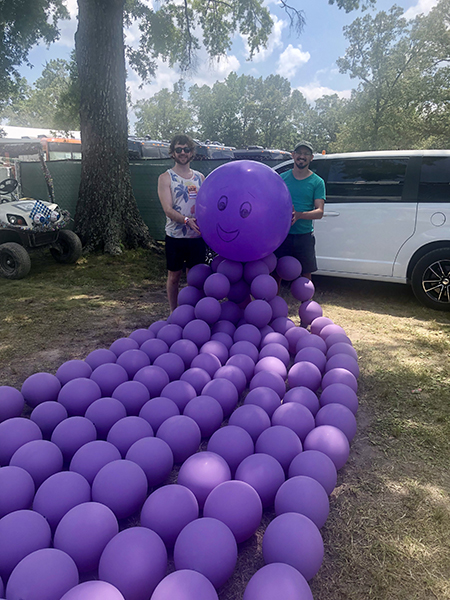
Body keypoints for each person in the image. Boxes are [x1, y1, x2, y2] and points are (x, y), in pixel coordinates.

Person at [158, 134, 206, 312]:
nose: (183, 152)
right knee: (174, 277)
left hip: (197, 237)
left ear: (192, 152)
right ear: (173, 153)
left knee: (195, 278)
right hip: (175, 237)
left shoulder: (201, 177)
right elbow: (168, 210)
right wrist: (186, 221)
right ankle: (173, 312)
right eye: (179, 149)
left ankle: (193, 312)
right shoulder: (165, 177)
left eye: (186, 149)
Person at [275, 140, 325, 280]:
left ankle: (306, 302)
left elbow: (319, 212)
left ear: (311, 158)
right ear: (293, 155)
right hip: (282, 235)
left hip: (304, 236)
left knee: (305, 275)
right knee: (276, 272)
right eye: (299, 153)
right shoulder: (281, 179)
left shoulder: (317, 182)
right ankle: (273, 300)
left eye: (306, 154)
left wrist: (299, 215)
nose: (302, 156)